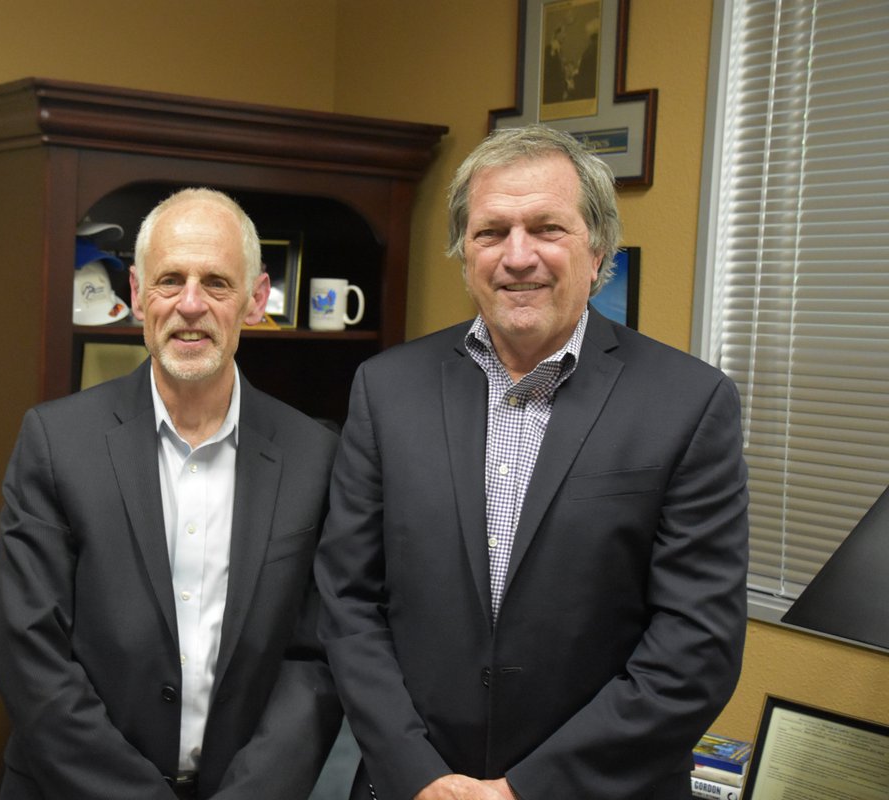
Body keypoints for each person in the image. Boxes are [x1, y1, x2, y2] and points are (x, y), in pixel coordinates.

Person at [315, 125, 749, 800]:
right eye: (491, 233)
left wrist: (526, 790)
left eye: (547, 228)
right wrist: (420, 774)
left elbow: (696, 646)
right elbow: (347, 602)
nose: (518, 257)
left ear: (597, 249)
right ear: (465, 255)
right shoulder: (385, 389)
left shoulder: (689, 403)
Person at [0, 188, 343, 799]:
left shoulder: (315, 458)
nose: (190, 305)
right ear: (136, 293)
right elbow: (30, 656)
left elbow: (317, 659)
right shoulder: (56, 442)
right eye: (170, 280)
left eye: (217, 283)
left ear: (256, 299)